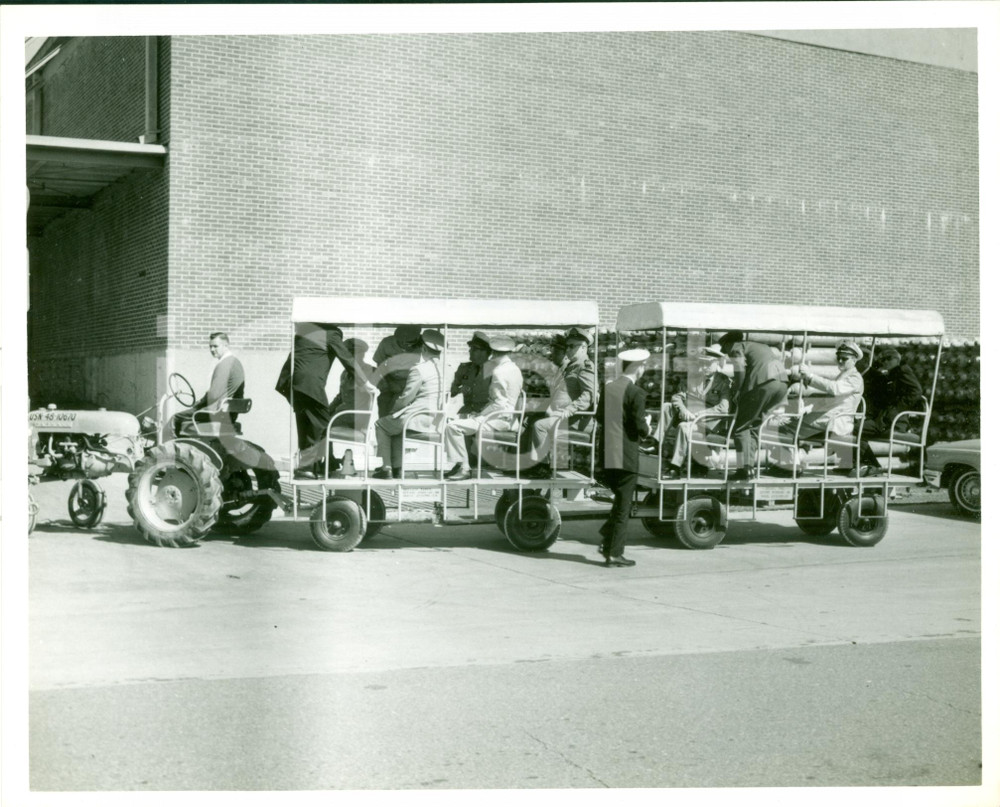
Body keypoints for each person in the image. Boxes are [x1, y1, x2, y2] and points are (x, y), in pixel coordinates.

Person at [595, 348, 652, 568]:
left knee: (619, 502)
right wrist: (648, 426)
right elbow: (639, 427)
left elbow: (600, 417)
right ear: (638, 368)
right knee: (623, 507)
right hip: (627, 456)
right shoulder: (636, 393)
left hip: (608, 453)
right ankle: (614, 554)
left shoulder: (608, 388)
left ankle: (608, 540)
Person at [276, 322, 354, 478]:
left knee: (306, 423)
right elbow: (347, 358)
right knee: (323, 423)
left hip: (293, 383)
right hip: (309, 384)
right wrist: (366, 382)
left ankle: (320, 465)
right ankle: (309, 467)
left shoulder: (304, 331)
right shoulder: (332, 333)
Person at [443, 334, 524, 480]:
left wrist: (480, 416)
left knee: (452, 427)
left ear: (492, 352)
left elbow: (498, 403)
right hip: (507, 417)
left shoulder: (498, 371)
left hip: (497, 418)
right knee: (460, 421)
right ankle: (462, 464)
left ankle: (465, 468)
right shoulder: (514, 368)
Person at [373, 329, 445, 479]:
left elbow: (406, 397)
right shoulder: (447, 370)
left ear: (422, 347)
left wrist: (396, 411)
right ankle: (396, 467)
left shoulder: (420, 369)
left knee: (383, 424)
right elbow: (378, 364)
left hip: (414, 405)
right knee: (394, 425)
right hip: (434, 417)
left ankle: (388, 468)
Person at [526, 327, 597, 478]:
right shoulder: (570, 366)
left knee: (540, 426)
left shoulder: (585, 367)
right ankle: (531, 464)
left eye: (572, 346)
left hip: (574, 420)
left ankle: (542, 467)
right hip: (562, 417)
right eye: (567, 346)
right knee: (532, 421)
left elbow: (589, 395)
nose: (568, 350)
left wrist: (569, 410)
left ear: (583, 347)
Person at [718, 330, 788, 481]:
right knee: (755, 426)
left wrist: (736, 391)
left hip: (762, 384)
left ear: (728, 343)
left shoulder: (737, 348)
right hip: (781, 385)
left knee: (741, 427)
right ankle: (749, 468)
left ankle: (744, 468)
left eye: (725, 349)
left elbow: (740, 371)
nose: (726, 353)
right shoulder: (760, 346)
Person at [789, 340, 865, 470]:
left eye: (844, 359)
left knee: (785, 429)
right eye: (838, 357)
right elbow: (828, 400)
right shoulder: (843, 375)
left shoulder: (855, 378)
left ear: (854, 360)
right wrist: (807, 409)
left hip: (835, 422)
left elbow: (834, 389)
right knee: (789, 425)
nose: (840, 361)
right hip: (828, 419)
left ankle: (790, 466)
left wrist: (811, 375)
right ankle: (793, 463)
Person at [657, 353, 733, 479]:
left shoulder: (724, 382)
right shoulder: (694, 379)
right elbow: (677, 397)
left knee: (683, 427)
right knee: (666, 406)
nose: (704, 367)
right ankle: (656, 442)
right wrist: (683, 410)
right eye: (702, 364)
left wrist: (699, 414)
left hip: (711, 423)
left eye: (708, 364)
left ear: (718, 363)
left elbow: (723, 408)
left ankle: (675, 466)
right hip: (691, 417)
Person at [857, 347, 923, 474]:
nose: (885, 362)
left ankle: (870, 465)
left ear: (897, 359)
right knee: (853, 429)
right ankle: (868, 465)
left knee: (853, 430)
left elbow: (916, 391)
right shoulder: (891, 374)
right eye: (882, 359)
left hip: (894, 421)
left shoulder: (903, 371)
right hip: (884, 420)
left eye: (888, 358)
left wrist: (896, 409)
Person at [172, 332, 246, 437]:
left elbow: (214, 394)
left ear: (226, 345)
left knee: (175, 418)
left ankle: (172, 447)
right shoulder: (236, 362)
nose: (212, 350)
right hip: (229, 413)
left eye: (215, 346)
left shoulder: (224, 365)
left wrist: (200, 403)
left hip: (216, 413)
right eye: (210, 346)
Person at [372, 325, 424, 417]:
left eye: (410, 343)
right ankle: (383, 426)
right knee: (383, 401)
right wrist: (389, 383)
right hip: (389, 380)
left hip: (410, 383)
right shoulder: (386, 343)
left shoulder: (423, 346)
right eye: (401, 341)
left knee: (398, 407)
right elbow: (380, 364)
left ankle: (394, 427)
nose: (405, 344)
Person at [329, 338, 377, 433]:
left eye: (354, 354)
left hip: (357, 415)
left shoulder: (370, 371)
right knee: (319, 422)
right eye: (348, 354)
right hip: (343, 413)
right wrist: (327, 410)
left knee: (323, 426)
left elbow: (373, 397)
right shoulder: (345, 373)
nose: (350, 357)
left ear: (362, 354)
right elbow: (340, 397)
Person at [450, 331, 492, 416]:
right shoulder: (464, 368)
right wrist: (459, 390)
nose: (470, 351)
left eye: (474, 349)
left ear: (484, 352)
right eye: (470, 348)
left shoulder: (494, 370)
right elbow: (450, 389)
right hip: (466, 411)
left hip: (486, 414)